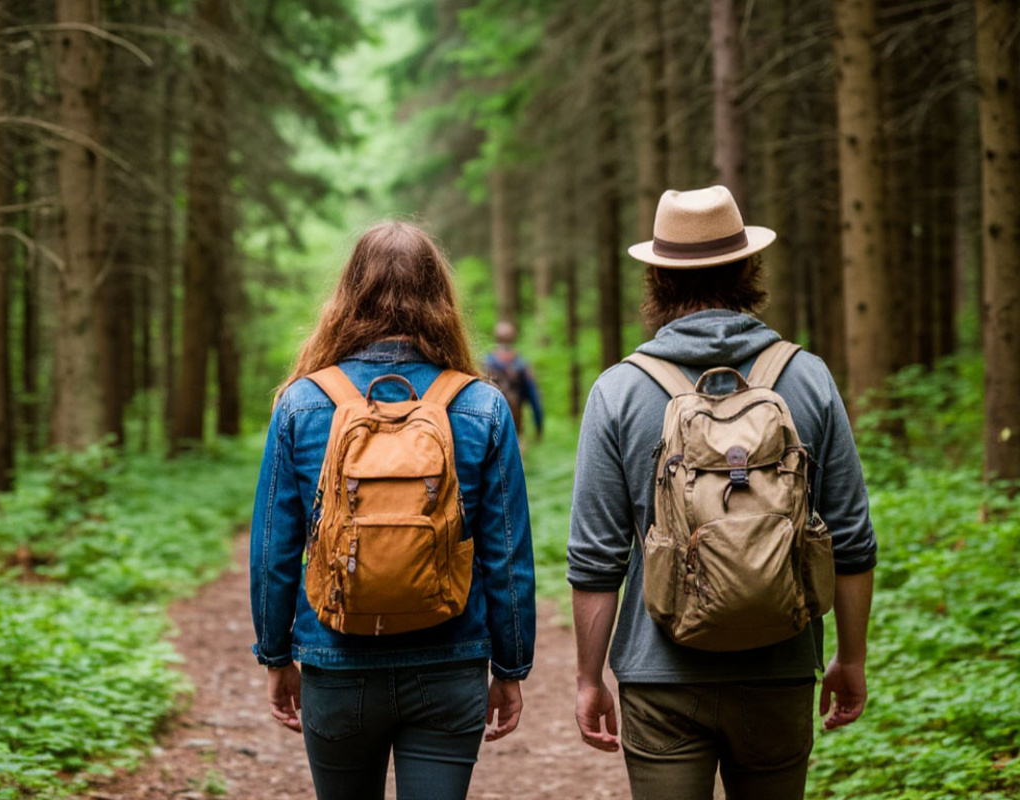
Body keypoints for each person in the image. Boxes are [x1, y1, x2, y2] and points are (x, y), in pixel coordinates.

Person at [567, 186, 877, 800]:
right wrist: (851, 657)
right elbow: (851, 537)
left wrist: (588, 677)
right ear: (748, 269)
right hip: (780, 668)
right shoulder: (806, 376)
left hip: (660, 678)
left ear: (656, 276)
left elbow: (595, 558)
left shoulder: (620, 391)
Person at [249, 221, 537, 800]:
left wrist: (276, 654)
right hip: (451, 660)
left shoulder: (303, 403)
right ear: (440, 298)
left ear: (349, 294)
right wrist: (510, 668)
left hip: (336, 660)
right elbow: (507, 552)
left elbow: (272, 550)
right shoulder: (481, 405)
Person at [483, 321, 544, 442]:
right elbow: (534, 399)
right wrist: (538, 427)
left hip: (488, 430)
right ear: (513, 338)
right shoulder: (521, 365)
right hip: (515, 429)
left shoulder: (486, 365)